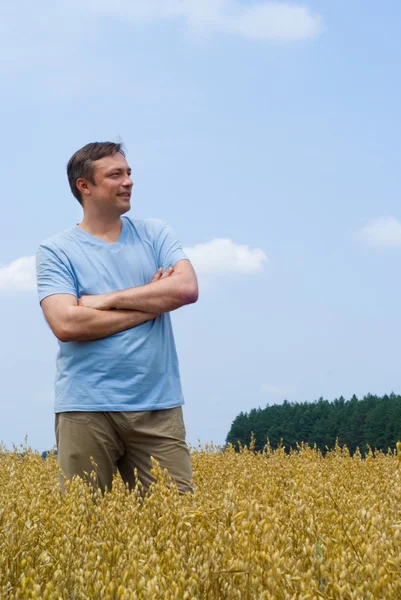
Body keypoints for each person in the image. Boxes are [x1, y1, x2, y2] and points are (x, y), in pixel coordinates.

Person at [35, 141, 198, 495]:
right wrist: (153, 301)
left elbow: (185, 289)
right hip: (85, 408)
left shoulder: (156, 233)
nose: (128, 182)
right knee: (81, 527)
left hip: (158, 407)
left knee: (180, 527)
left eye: (128, 173)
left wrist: (104, 301)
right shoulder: (56, 250)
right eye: (115, 175)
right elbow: (66, 324)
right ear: (85, 186)